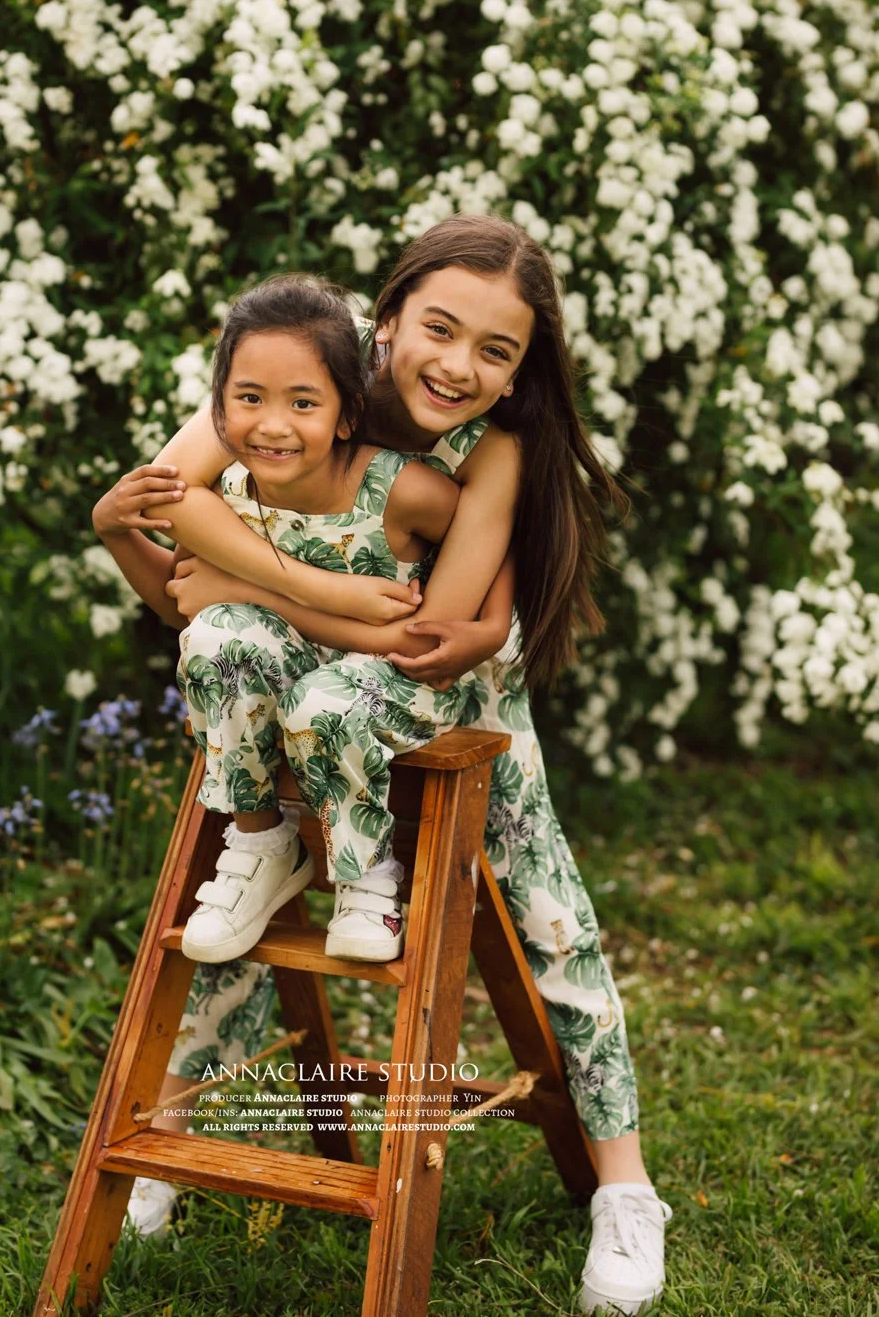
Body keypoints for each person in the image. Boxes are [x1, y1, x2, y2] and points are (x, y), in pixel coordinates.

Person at [93, 215, 671, 1315]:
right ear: (387, 317)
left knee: (558, 926)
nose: (459, 365)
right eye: (439, 330)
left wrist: (243, 583)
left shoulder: (492, 450)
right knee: (241, 890)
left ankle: (626, 1189)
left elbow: (428, 635)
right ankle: (160, 1134)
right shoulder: (301, 374)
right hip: (290, 696)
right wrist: (271, 596)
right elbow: (168, 518)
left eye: (495, 352)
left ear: (517, 374)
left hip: (453, 715)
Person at [160, 272, 482, 966]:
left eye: (302, 402)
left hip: (401, 681)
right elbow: (167, 501)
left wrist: (486, 630)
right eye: (249, 399)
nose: (273, 424)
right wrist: (327, 595)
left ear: (345, 415)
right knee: (219, 637)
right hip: (307, 667)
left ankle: (368, 878)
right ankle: (261, 842)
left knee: (322, 700)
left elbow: (490, 550)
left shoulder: (403, 490)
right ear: (218, 409)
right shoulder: (235, 490)